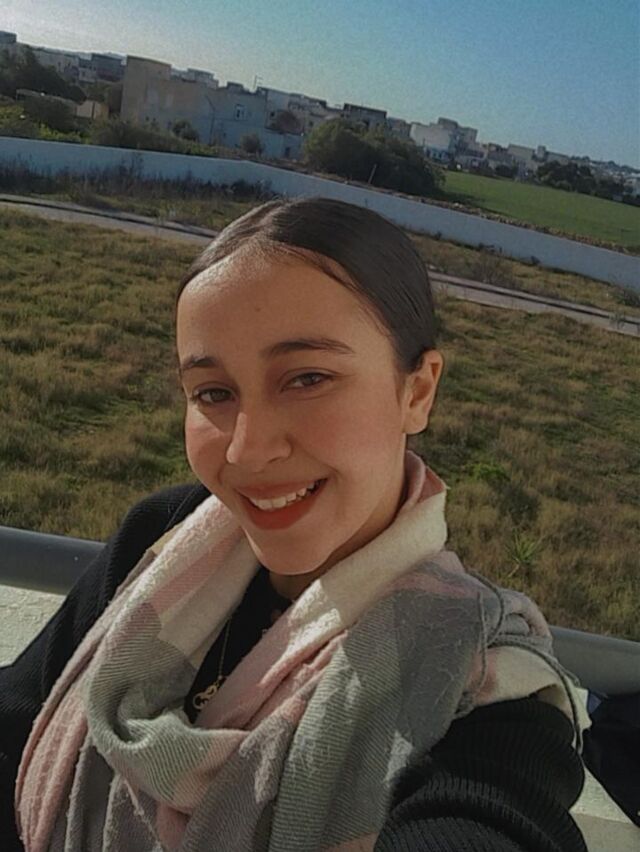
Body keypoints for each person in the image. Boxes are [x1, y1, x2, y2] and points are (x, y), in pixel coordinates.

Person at [0, 197, 589, 851]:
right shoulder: (161, 536)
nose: (247, 452)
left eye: (307, 378)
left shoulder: (477, 683)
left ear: (417, 392)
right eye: (213, 393)